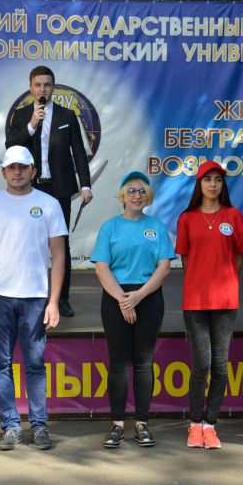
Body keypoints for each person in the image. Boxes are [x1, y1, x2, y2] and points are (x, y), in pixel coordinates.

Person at [0, 146, 67, 452]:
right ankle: (11, 426)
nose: (17, 172)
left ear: (33, 171)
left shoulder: (49, 204)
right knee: (1, 363)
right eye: (11, 168)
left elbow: (59, 255)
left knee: (35, 364)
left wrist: (54, 301)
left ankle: (39, 426)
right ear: (3, 171)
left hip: (36, 299)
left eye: (23, 167)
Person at [91, 171, 174, 448]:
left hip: (148, 297)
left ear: (148, 197)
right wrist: (123, 300)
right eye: (131, 191)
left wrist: (138, 296)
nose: (137, 196)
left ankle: (141, 423)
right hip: (116, 297)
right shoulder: (109, 227)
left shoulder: (157, 227)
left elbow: (164, 268)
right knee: (118, 364)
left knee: (143, 363)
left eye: (142, 191)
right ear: (122, 196)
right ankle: (117, 424)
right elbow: (102, 268)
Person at [5, 65, 92, 318]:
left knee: (60, 244)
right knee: (29, 242)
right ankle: (30, 295)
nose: (42, 89)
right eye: (38, 85)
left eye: (47, 85)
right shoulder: (22, 115)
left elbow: (79, 152)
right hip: (30, 188)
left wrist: (85, 185)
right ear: (31, 88)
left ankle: (62, 298)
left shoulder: (67, 116)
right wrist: (32, 124)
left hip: (59, 188)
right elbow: (11, 146)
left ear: (53, 87)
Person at [175, 160, 243, 449]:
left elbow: (240, 256)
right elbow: (185, 258)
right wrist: (200, 280)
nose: (213, 185)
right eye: (208, 180)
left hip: (226, 300)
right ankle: (195, 425)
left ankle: (210, 425)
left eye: (218, 180)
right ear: (199, 184)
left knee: (220, 366)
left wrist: (227, 279)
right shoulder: (187, 218)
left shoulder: (234, 215)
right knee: (202, 364)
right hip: (195, 301)